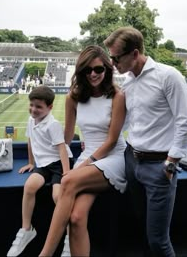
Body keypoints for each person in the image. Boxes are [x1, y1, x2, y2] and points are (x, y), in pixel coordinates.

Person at [104, 26, 187, 257]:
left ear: (135, 54)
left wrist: (171, 163)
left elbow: (186, 123)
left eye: (116, 58)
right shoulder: (129, 83)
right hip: (132, 162)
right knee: (144, 229)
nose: (113, 63)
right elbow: (129, 123)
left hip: (159, 167)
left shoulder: (169, 76)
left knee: (158, 240)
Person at [39, 45, 127, 257]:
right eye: (87, 70)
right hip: (89, 159)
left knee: (68, 181)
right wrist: (44, 131)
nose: (93, 74)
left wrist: (84, 165)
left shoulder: (117, 96)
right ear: (80, 72)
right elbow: (67, 138)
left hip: (113, 156)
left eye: (98, 69)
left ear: (107, 68)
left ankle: (45, 254)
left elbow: (112, 140)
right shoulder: (73, 98)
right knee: (76, 218)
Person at [7, 85, 73, 257]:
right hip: (43, 164)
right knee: (29, 186)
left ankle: (70, 237)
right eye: (31, 105)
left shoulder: (53, 125)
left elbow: (62, 149)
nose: (33, 109)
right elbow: (31, 141)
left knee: (58, 196)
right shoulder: (31, 120)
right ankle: (26, 229)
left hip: (59, 164)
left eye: (38, 106)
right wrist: (31, 162)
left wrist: (66, 173)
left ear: (49, 107)